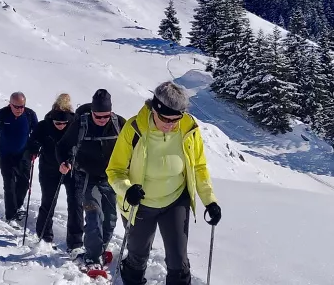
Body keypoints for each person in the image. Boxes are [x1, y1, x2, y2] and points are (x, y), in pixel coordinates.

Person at [107, 81, 221, 285]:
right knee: (138, 255)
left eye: (176, 119)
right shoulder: (134, 129)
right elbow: (115, 170)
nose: (170, 124)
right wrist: (127, 189)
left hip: (175, 200)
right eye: (165, 119)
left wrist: (210, 201)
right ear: (154, 110)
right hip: (140, 204)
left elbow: (199, 167)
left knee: (178, 259)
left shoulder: (189, 130)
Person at [56, 89, 126, 270]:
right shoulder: (81, 123)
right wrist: (63, 162)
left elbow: (134, 145)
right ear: (92, 112)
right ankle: (92, 258)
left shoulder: (119, 123)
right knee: (94, 215)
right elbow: (62, 146)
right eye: (99, 116)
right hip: (87, 178)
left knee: (110, 219)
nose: (102, 120)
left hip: (112, 178)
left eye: (106, 116)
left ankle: (99, 250)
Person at [26, 93, 81, 249]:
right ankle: (44, 236)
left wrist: (70, 161)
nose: (61, 125)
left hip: (71, 170)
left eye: (64, 123)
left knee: (76, 204)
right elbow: (32, 141)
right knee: (48, 202)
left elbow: (79, 146)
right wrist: (33, 149)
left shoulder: (75, 126)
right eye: (57, 122)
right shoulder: (44, 125)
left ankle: (75, 242)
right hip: (49, 169)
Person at [0, 91, 38, 222]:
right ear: (10, 104)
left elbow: (37, 134)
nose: (19, 110)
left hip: (24, 154)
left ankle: (17, 207)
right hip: (5, 154)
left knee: (24, 184)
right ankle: (11, 215)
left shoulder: (30, 115)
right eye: (16, 106)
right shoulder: (2, 114)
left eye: (22, 106)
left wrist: (35, 148)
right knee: (9, 185)